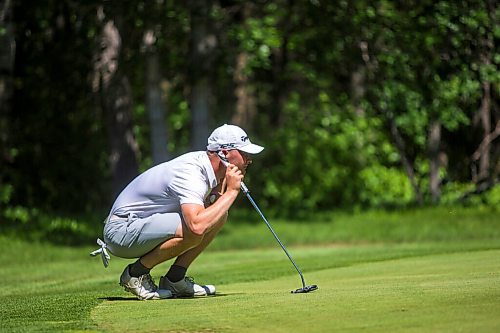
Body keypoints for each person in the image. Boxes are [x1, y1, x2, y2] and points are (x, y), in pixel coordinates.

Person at [91, 124, 264, 300]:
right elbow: (196, 226)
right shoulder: (191, 173)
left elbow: (211, 211)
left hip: (138, 224)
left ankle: (175, 279)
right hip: (120, 231)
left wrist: (220, 188)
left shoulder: (207, 169)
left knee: (218, 216)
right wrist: (232, 192)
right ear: (225, 153)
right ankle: (135, 274)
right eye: (244, 154)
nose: (248, 160)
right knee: (195, 228)